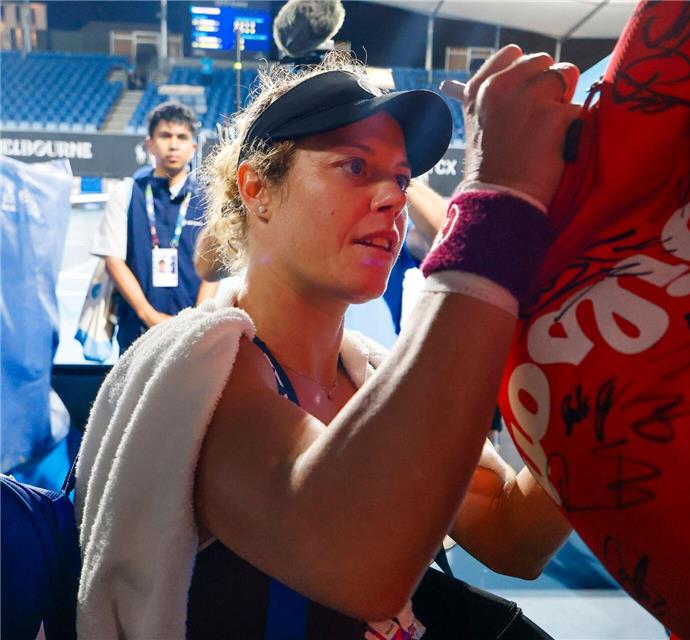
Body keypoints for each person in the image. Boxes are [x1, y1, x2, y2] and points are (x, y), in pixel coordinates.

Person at [76, 47, 581, 639]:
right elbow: (358, 566)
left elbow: (512, 536)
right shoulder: (202, 367)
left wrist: (599, 370)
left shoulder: (370, 371)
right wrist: (496, 212)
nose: (394, 198)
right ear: (257, 189)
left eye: (400, 177)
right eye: (355, 167)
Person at [91, 101, 218, 354]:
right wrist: (148, 316)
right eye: (165, 136)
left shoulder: (208, 200)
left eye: (182, 137)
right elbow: (114, 262)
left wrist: (197, 321)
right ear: (149, 143)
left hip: (193, 335)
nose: (173, 144)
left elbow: (212, 265)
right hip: (137, 331)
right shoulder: (127, 193)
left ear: (193, 147)